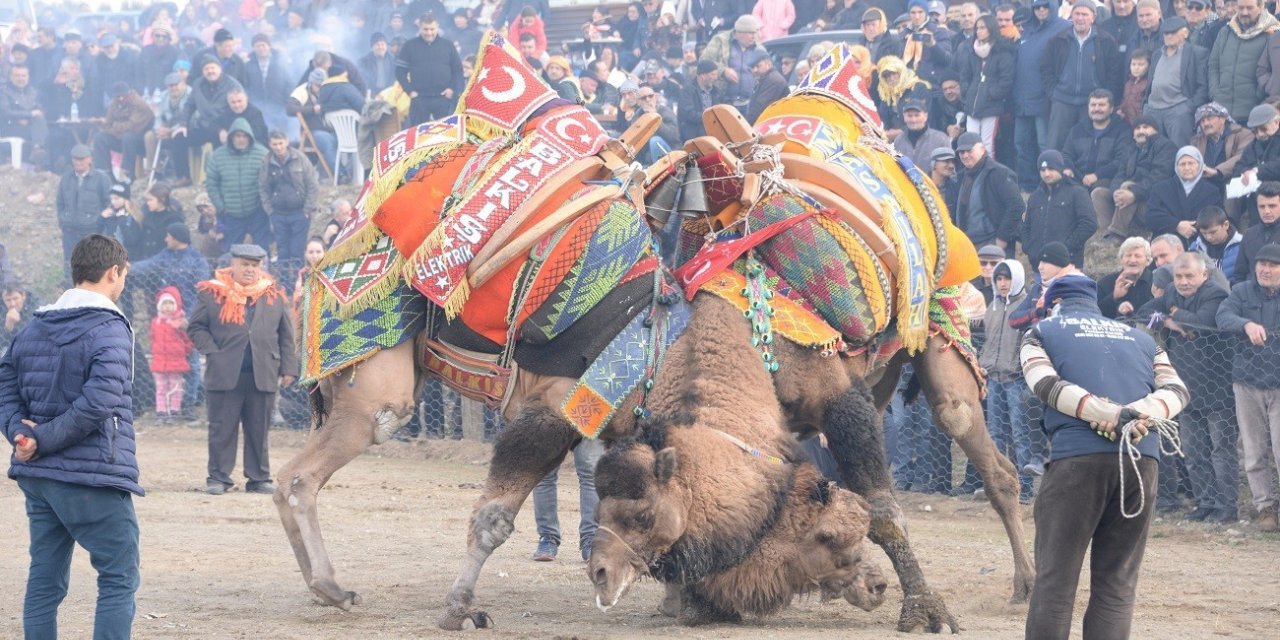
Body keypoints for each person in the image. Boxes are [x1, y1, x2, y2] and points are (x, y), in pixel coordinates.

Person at [1020, 274, 1189, 639]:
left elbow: (1045, 385)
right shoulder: (1143, 339)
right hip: (1141, 462)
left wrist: (1106, 413)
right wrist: (1138, 413)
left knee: (1055, 582)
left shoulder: (1041, 332)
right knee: (1116, 584)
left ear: (1054, 304)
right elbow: (1178, 390)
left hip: (1076, 462)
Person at [0, 234, 142, 639]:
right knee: (118, 577)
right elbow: (99, 403)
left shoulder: (33, 326)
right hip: (90, 476)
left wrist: (19, 434)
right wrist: (39, 439)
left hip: (39, 477)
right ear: (113, 272)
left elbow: (4, 380)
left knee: (45, 580)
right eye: (124, 275)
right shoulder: (111, 328)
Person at [188, 244, 298, 495]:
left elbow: (286, 335)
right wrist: (212, 352)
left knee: (259, 429)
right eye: (245, 265)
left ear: (261, 267)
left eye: (255, 265)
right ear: (233, 265)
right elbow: (196, 328)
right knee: (221, 428)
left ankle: (259, 478)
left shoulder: (274, 295)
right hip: (224, 373)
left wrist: (289, 368)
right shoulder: (212, 293)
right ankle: (218, 478)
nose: (250, 270)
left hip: (263, 373)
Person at [1144, 252, 1237, 522]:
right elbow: (1147, 312)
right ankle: (1205, 503)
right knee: (1194, 453)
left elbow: (1203, 323)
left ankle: (1228, 508)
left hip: (1218, 389)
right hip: (1184, 389)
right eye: (1179, 276)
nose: (1183, 282)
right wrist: (1168, 321)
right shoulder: (1171, 291)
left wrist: (1176, 315)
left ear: (1204, 275)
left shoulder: (1216, 294)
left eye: (1189, 276)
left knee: (1222, 451)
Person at [1219, 245, 1280, 533]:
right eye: (1261, 264)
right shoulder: (1242, 291)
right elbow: (1223, 316)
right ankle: (1264, 508)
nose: (1265, 269)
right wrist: (1246, 324)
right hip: (1246, 383)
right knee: (1254, 450)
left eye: (1273, 264)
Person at [979, 258, 1034, 503]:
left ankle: (1026, 485)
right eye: (999, 278)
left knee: (1020, 433)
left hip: (1015, 378)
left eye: (1007, 278)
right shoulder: (992, 306)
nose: (1002, 283)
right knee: (995, 434)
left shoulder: (1026, 306)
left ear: (1018, 278)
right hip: (994, 377)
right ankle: (999, 483)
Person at [1041, 1, 1125, 151]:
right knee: (1055, 145)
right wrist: (1053, 92)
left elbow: (1114, 73)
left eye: (1085, 14)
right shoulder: (1057, 40)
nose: (1080, 18)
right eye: (1077, 14)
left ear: (1093, 17)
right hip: (1062, 101)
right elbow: (1046, 69)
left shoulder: (1105, 41)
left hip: (1091, 103)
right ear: (1071, 16)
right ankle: (1055, 174)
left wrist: (1105, 97)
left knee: (1087, 146)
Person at [1092, 116, 1178, 241]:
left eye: (1146, 127)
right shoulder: (1130, 149)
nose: (1141, 130)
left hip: (1153, 204)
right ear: (1133, 134)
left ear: (1156, 131)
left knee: (1127, 185)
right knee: (1098, 193)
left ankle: (1117, 234)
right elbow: (1119, 174)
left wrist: (1134, 193)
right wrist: (1116, 192)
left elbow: (1159, 178)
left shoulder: (1166, 146)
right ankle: (1107, 233)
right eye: (1137, 128)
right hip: (1128, 201)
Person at [1013, 0, 1069, 191]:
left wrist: (1053, 93)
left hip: (1045, 100)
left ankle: (1048, 187)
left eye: (1046, 5)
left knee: (1045, 146)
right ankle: (1027, 188)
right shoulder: (1027, 29)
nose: (1041, 10)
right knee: (1021, 145)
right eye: (1037, 6)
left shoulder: (1064, 27)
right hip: (1021, 100)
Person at [531, 437, 604, 562]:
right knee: (544, 473)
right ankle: (547, 538)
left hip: (589, 419)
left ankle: (591, 540)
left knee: (591, 472)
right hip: (549, 419)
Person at [1023, 150, 1097, 270]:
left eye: (1051, 169)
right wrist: (1029, 248)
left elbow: (1089, 224)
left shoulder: (1077, 192)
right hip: (1039, 267)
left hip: (1068, 265)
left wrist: (1065, 248)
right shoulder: (1035, 197)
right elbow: (1026, 226)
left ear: (1060, 168)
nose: (1046, 174)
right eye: (1042, 170)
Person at [205, 118, 270, 253]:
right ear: (231, 137)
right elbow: (211, 184)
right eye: (238, 136)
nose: (241, 139)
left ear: (250, 136)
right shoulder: (218, 156)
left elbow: (271, 181)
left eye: (244, 136)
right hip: (231, 213)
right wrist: (221, 207)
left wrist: (264, 204)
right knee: (232, 252)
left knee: (262, 249)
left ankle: (264, 274)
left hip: (257, 211)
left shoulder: (262, 153)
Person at [1208, 0, 1276, 123]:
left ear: (1261, 6)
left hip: (1254, 115)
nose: (1244, 12)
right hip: (1223, 115)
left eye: (1249, 8)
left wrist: (1259, 95)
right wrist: (1215, 94)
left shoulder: (1272, 33)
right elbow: (1213, 66)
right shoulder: (1225, 32)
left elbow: (1274, 74)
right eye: (1241, 7)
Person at [955, 131, 1024, 252]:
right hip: (967, 245)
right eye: (961, 152)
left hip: (993, 243)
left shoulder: (1000, 173)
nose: (965, 155)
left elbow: (1016, 206)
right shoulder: (961, 177)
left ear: (982, 149)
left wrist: (1002, 239)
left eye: (969, 151)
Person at [260, 130, 319, 270]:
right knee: (283, 252)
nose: (278, 147)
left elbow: (313, 184)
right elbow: (263, 188)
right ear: (270, 144)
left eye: (280, 143)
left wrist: (307, 209)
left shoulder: (300, 158)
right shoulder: (266, 162)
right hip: (278, 214)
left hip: (299, 213)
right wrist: (270, 211)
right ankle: (285, 285)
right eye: (275, 144)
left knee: (297, 251)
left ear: (286, 142)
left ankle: (299, 284)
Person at [1145, 16, 1208, 147]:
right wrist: (1145, 105)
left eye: (1173, 32)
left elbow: (1203, 86)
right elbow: (1150, 82)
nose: (1168, 35)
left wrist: (1187, 108)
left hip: (1178, 110)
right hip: (1153, 109)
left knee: (1179, 151)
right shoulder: (1157, 54)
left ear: (1185, 33)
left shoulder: (1197, 53)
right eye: (1166, 33)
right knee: (1152, 151)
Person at [958, 14, 1014, 156]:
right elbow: (965, 75)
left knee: (987, 144)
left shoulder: (1003, 52)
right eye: (977, 28)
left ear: (991, 29)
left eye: (982, 28)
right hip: (972, 105)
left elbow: (1006, 80)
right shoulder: (972, 50)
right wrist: (967, 91)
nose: (978, 31)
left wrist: (991, 94)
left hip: (991, 106)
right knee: (970, 142)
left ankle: (988, 175)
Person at [396, 13, 464, 126]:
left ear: (437, 26)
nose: (429, 33)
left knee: (446, 136)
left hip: (443, 99)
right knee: (418, 137)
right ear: (420, 27)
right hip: (419, 99)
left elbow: (458, 71)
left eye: (432, 29)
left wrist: (452, 89)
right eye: (425, 29)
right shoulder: (409, 46)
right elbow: (399, 72)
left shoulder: (448, 45)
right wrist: (411, 92)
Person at [56, 145, 113, 279]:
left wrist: (100, 223)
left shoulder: (101, 178)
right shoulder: (66, 179)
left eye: (82, 159)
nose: (79, 162)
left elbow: (109, 203)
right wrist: (64, 221)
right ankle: (72, 297)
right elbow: (60, 203)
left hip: (92, 233)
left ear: (90, 159)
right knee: (70, 269)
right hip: (70, 233)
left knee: (94, 269)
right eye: (76, 159)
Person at [1146, 146, 1224, 242]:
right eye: (1182, 164)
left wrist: (1191, 228)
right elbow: (1151, 216)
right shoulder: (1161, 188)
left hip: (1200, 243)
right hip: (1166, 242)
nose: (1186, 168)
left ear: (1200, 165)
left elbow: (1217, 218)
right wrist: (1176, 225)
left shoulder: (1211, 191)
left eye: (1191, 163)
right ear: (1176, 166)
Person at [1062, 89, 1132, 194]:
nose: (1096, 109)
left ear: (1111, 108)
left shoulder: (1122, 131)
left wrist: (1097, 175)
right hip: (1077, 177)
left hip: (1105, 179)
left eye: (1101, 105)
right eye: (1093, 105)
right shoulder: (1077, 130)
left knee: (1096, 188)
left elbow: (1122, 160)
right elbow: (1066, 154)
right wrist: (1068, 168)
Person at [92, 82, 154, 182]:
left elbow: (132, 127)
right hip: (121, 138)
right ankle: (105, 175)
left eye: (123, 96)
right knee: (100, 137)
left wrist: (114, 126)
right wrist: (112, 128)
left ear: (129, 93)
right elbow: (107, 124)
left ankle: (128, 175)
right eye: (118, 97)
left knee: (128, 136)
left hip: (141, 142)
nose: (121, 99)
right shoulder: (114, 103)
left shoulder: (140, 105)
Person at [151, 286, 193, 423]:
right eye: (164, 304)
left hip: (176, 361)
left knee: (176, 387)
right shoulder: (155, 322)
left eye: (171, 303)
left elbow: (188, 340)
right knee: (161, 388)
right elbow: (152, 338)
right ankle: (161, 412)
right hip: (160, 361)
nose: (167, 307)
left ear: (176, 305)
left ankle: (174, 411)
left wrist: (183, 352)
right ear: (159, 306)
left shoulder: (180, 322)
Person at [1189, 102, 1253, 189]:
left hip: (1232, 181)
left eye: (1209, 118)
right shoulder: (1197, 140)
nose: (1206, 124)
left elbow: (1242, 156)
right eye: (1202, 121)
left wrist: (1217, 171)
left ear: (1222, 119)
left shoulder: (1243, 134)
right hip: (1205, 184)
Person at [146, 72, 192, 183]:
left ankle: (181, 176)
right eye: (170, 86)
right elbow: (158, 115)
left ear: (183, 83)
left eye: (176, 84)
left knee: (178, 136)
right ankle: (155, 172)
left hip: (185, 128)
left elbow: (190, 117)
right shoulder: (163, 96)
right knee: (149, 136)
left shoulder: (191, 94)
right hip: (166, 129)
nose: (173, 88)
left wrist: (172, 130)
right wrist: (158, 129)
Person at [1232, 181, 1280, 283]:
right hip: (1251, 295)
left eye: (1272, 206)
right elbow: (1239, 274)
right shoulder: (1249, 234)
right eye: (1262, 206)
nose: (1266, 211)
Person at [0, 65, 48, 164]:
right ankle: (37, 152)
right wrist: (28, 115)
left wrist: (30, 117)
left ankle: (38, 156)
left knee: (45, 128)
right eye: (17, 75)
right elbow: (5, 112)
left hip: (29, 126)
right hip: (8, 127)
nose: (20, 78)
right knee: (41, 131)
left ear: (28, 77)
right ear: (10, 77)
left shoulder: (32, 91)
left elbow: (39, 109)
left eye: (23, 76)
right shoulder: (3, 91)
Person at [1098, 237, 1156, 318]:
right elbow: (1094, 314)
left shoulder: (1156, 282)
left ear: (1148, 261)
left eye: (1138, 256)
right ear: (1121, 260)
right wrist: (1114, 297)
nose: (1132, 260)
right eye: (1128, 255)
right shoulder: (1105, 283)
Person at [893, 98, 950, 170]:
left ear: (925, 116)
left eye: (917, 115)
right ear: (904, 117)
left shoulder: (941, 140)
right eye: (910, 116)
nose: (913, 120)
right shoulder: (898, 141)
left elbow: (949, 170)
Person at [1190, 206, 1244, 281]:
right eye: (1204, 233)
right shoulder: (1196, 248)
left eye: (1213, 232)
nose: (1208, 237)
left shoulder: (1242, 245)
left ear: (1226, 225)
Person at [678, 59, 721, 141]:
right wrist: (709, 117)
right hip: (694, 136)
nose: (716, 78)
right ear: (703, 75)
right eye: (713, 74)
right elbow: (689, 114)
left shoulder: (715, 92)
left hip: (713, 134)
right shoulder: (687, 91)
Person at [745, 49, 788, 122]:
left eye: (758, 66)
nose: (754, 70)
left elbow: (759, 108)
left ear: (768, 64)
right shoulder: (765, 78)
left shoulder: (773, 80)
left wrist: (744, 124)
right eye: (752, 67)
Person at [1118, 48, 1151, 125]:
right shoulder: (1128, 84)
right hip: (1127, 123)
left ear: (1149, 66)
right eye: (1133, 64)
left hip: (1142, 123)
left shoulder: (1149, 84)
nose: (1136, 67)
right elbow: (1126, 101)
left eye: (1141, 64)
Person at [0, 284, 37, 350]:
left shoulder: (35, 307)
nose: (12, 304)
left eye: (15, 298)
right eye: (8, 300)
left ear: (23, 296)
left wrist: (19, 323)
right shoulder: (2, 310)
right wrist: (8, 327)